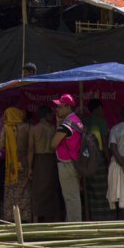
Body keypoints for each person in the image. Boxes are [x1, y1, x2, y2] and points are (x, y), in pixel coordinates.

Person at [50, 94, 84, 222]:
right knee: (72, 195)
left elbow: (53, 144)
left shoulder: (67, 124)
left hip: (67, 164)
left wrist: (59, 124)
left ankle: (75, 226)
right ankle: (71, 223)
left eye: (59, 106)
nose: (56, 109)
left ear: (68, 107)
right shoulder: (77, 120)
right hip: (74, 162)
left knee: (71, 197)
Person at [27, 105, 63, 223]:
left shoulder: (34, 129)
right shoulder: (54, 128)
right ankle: (53, 218)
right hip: (51, 160)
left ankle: (36, 219)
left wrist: (29, 168)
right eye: (50, 114)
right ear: (47, 115)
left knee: (38, 191)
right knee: (51, 190)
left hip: (39, 161)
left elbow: (31, 149)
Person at [0, 107, 30, 222]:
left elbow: (0, 146)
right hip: (25, 162)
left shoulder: (6, 128)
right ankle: (25, 216)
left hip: (11, 164)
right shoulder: (27, 127)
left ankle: (11, 216)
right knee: (24, 189)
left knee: (11, 189)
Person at [83, 99, 112, 220]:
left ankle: (93, 215)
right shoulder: (101, 121)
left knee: (90, 187)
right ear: (97, 109)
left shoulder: (84, 120)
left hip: (85, 157)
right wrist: (108, 159)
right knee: (103, 189)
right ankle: (103, 216)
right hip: (98, 157)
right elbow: (105, 143)